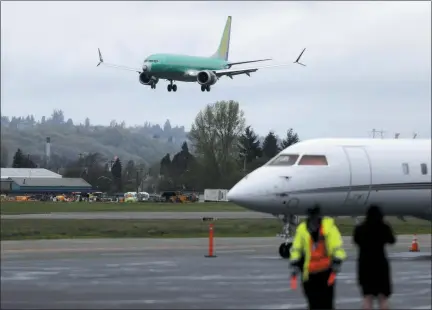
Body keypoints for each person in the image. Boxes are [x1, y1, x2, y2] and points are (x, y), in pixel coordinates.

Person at [290, 205, 347, 309]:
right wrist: (294, 262)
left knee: (326, 304)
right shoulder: (302, 229)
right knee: (313, 304)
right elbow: (296, 248)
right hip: (309, 274)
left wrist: (338, 260)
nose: (313, 218)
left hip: (326, 272)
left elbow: (337, 246)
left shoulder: (328, 227)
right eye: (311, 215)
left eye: (315, 215)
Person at [353, 205, 396, 310]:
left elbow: (356, 241)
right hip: (380, 265)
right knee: (383, 298)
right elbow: (392, 240)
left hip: (365, 265)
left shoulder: (360, 229)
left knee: (367, 298)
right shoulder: (384, 227)